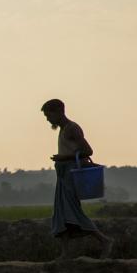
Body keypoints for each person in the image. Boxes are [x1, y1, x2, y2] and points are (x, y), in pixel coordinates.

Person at [42, 99, 113, 259]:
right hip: (63, 177)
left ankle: (104, 240)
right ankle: (65, 253)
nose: (48, 120)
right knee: (61, 214)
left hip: (71, 176)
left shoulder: (72, 128)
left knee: (73, 212)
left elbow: (87, 151)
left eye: (49, 116)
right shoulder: (63, 129)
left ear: (59, 112)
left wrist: (64, 157)